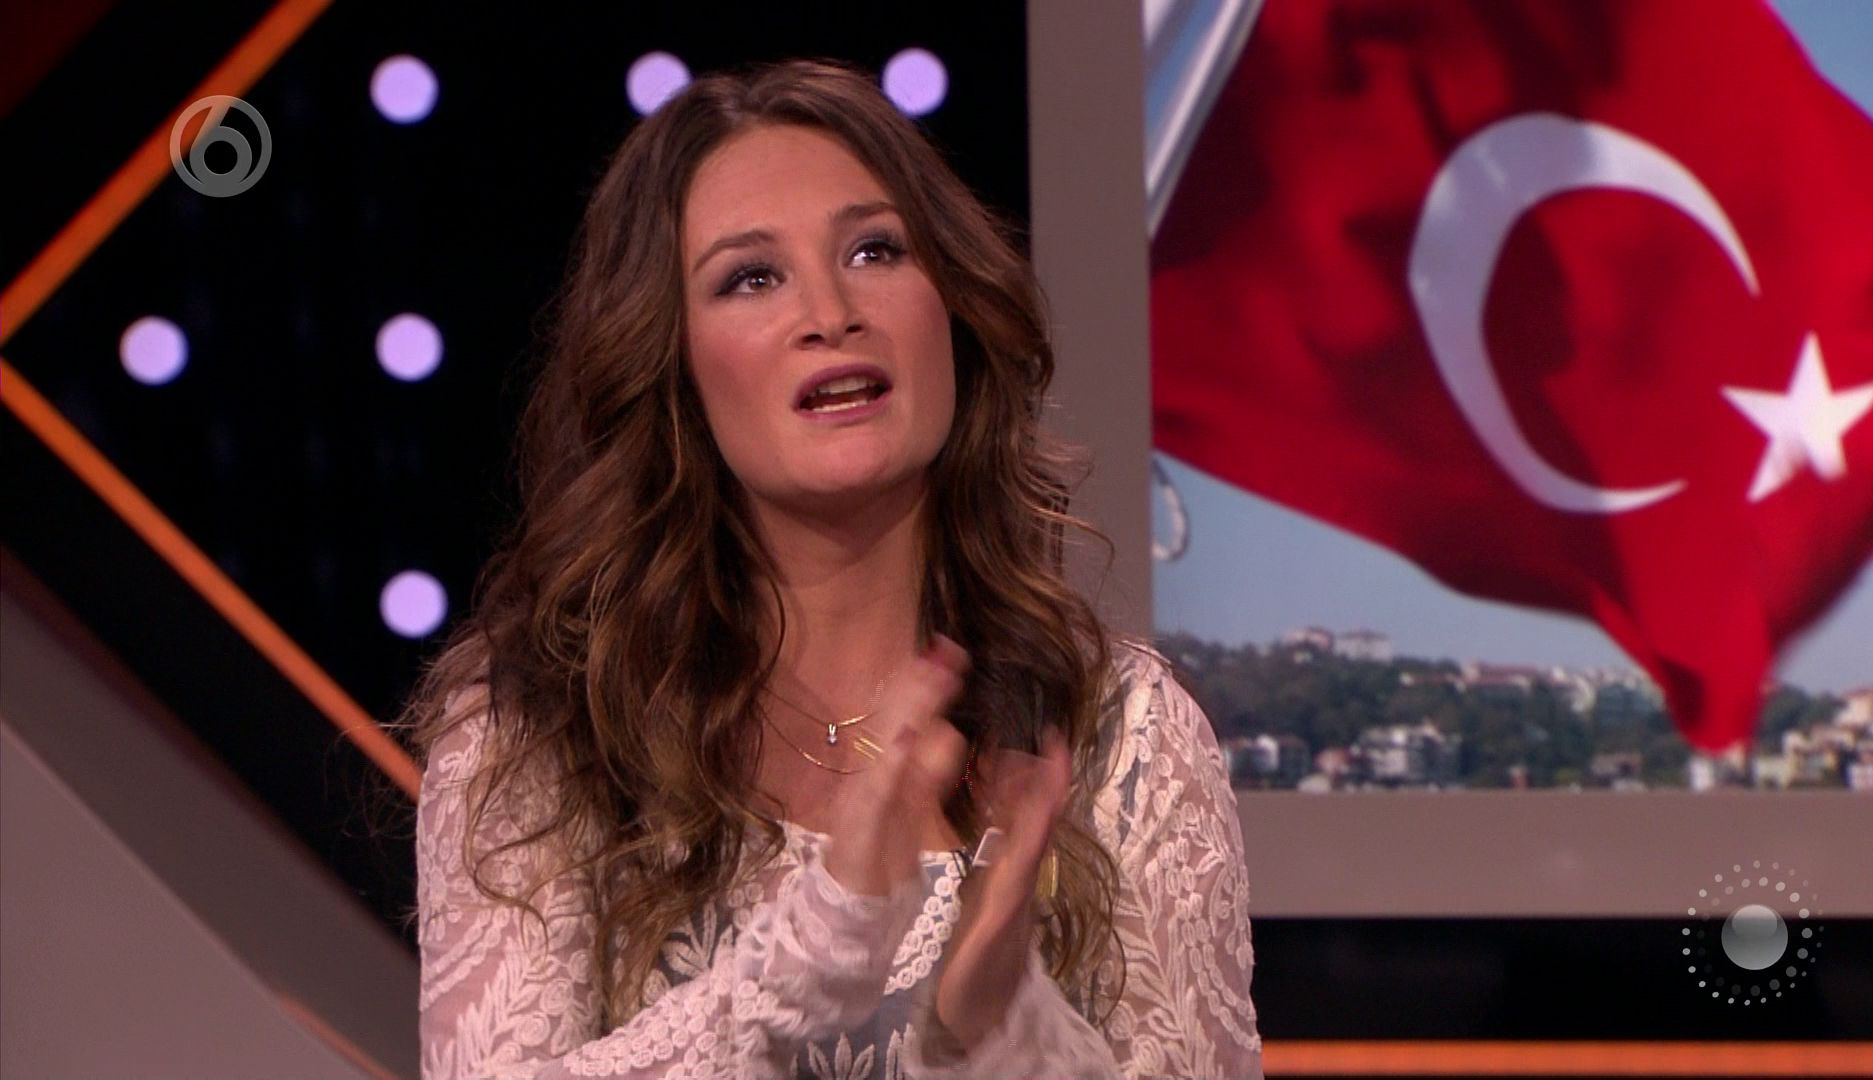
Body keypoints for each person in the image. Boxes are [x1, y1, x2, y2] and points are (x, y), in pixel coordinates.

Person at [405, 58, 1261, 1080]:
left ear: (955, 311)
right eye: (750, 277)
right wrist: (818, 953)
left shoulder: (1124, 735)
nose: (830, 310)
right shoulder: (540, 727)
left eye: (874, 250)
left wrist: (1000, 1030)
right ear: (672, 365)